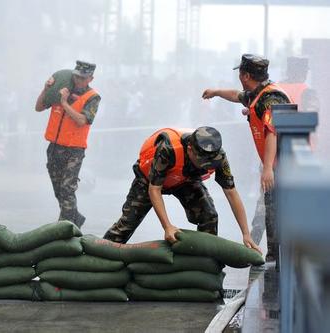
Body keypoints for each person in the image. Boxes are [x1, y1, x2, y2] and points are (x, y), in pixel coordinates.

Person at [103, 126, 261, 254]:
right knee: (126, 225)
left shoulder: (218, 157)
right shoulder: (169, 148)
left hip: (185, 181)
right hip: (149, 181)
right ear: (190, 149)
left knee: (209, 216)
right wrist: (167, 227)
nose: (205, 165)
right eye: (202, 162)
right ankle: (100, 255)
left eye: (209, 163)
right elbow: (154, 189)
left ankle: (205, 265)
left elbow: (231, 193)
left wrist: (246, 233)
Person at [202, 54, 291, 261]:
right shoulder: (257, 93)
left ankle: (276, 259)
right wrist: (215, 92)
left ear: (246, 75)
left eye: (240, 73)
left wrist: (268, 168)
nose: (239, 78)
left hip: (285, 167)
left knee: (275, 210)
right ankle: (269, 254)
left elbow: (272, 132)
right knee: (269, 208)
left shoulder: (270, 99)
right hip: (277, 165)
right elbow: (237, 95)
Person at [35, 60, 101, 228]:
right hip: (54, 148)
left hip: (74, 150)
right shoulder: (62, 89)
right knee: (58, 190)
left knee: (67, 189)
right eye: (76, 76)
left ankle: (66, 226)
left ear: (90, 79)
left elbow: (82, 120)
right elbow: (39, 107)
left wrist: (64, 103)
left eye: (82, 78)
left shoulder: (92, 97)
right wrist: (46, 88)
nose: (78, 80)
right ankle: (75, 217)